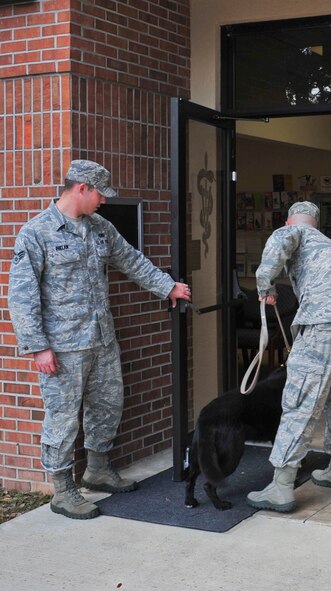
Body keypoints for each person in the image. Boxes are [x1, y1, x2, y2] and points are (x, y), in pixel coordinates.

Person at [8, 160, 192, 520]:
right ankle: (62, 490)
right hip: (62, 346)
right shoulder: (36, 233)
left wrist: (167, 286)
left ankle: (98, 469)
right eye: (99, 194)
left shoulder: (100, 228)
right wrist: (38, 346)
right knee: (62, 418)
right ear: (81, 188)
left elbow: (132, 261)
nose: (103, 202)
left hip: (101, 338)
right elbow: (22, 295)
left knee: (108, 404)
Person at [246, 201, 331, 513]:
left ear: (290, 221)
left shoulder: (293, 231)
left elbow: (280, 243)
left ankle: (282, 486)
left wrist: (265, 284)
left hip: (323, 324)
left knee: (301, 400)